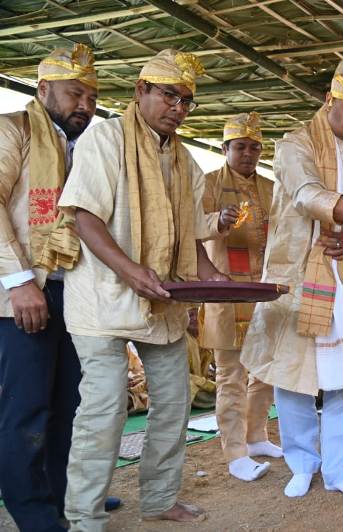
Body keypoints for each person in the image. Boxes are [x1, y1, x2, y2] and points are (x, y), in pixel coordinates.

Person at [58, 49, 228, 528]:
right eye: (169, 95)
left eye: (186, 101)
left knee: (173, 404)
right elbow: (84, 216)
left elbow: (189, 233)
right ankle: (84, 517)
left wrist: (211, 275)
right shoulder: (106, 139)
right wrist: (130, 270)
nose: (178, 108)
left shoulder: (185, 160)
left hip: (163, 303)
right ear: (141, 91)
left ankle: (158, 499)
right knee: (105, 410)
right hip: (101, 303)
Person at [240, 57, 343, 500]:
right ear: (329, 100)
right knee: (294, 378)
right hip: (298, 276)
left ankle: (338, 469)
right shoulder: (295, 144)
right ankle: (302, 464)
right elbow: (307, 195)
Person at [0, 44, 100, 532]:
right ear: (43, 90)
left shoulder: (87, 146)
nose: (85, 104)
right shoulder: (12, 130)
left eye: (92, 97)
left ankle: (65, 497)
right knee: (27, 409)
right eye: (74, 93)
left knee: (70, 407)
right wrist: (19, 282)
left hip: (74, 293)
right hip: (21, 293)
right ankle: (33, 512)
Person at [199, 112, 281, 482]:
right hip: (226, 292)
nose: (248, 154)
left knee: (265, 371)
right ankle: (234, 453)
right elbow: (190, 228)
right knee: (230, 376)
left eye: (254, 147)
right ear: (224, 149)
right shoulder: (208, 183)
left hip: (265, 291)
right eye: (240, 147)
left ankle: (256, 437)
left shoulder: (271, 187)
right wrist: (217, 220)